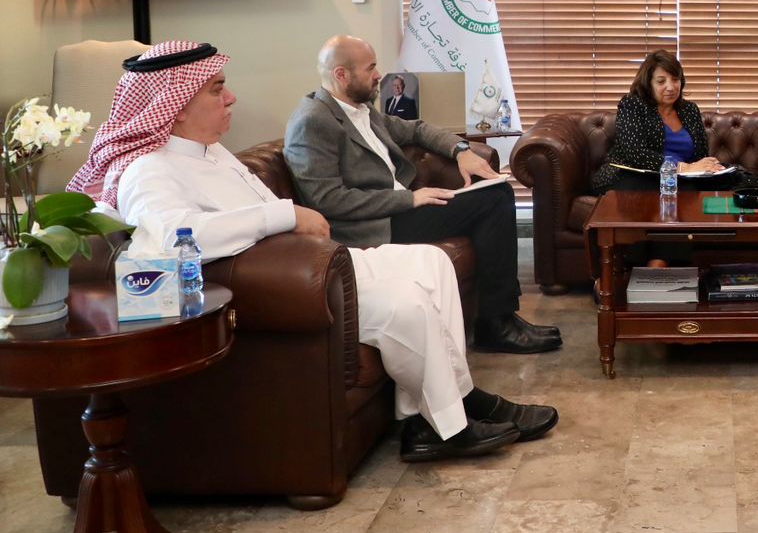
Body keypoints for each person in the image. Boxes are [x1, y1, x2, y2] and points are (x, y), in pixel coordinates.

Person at [67, 41, 559, 464]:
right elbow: (176, 235)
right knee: (408, 303)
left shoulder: (210, 152)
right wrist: (285, 215)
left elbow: (409, 130)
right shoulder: (149, 171)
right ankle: (452, 422)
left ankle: (430, 418)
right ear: (172, 106)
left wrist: (457, 149)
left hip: (313, 258)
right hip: (289, 281)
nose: (231, 97)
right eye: (216, 89)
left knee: (431, 262)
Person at [283, 35, 560, 354]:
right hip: (374, 226)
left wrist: (461, 150)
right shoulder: (312, 121)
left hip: (400, 209)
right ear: (341, 75)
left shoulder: (360, 110)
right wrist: (410, 199)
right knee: (494, 200)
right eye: (371, 68)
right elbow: (327, 200)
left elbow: (416, 129)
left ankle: (500, 317)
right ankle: (496, 324)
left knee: (495, 191)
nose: (379, 75)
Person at [591, 49, 758, 194]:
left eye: (675, 79)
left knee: (739, 180)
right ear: (648, 83)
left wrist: (707, 166)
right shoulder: (633, 104)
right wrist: (682, 168)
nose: (671, 87)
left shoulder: (689, 110)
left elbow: (700, 155)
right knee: (685, 190)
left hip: (683, 177)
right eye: (661, 81)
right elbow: (635, 153)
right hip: (633, 175)